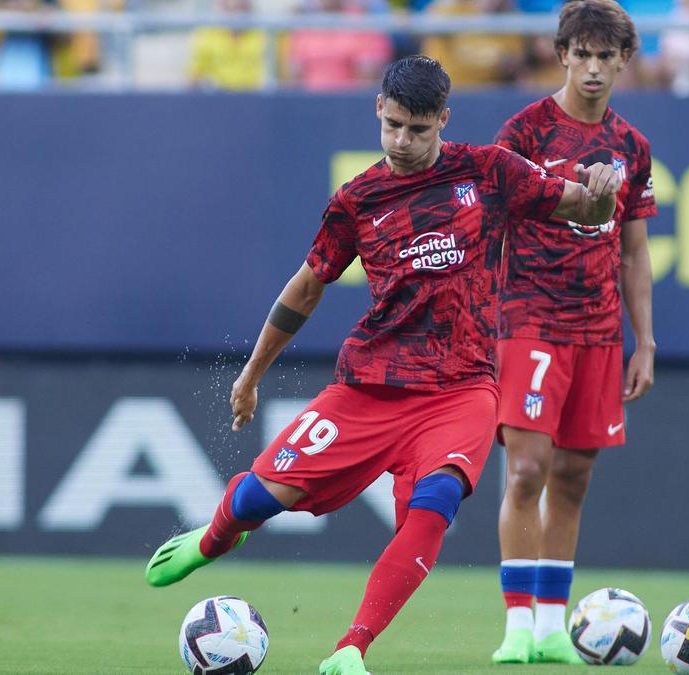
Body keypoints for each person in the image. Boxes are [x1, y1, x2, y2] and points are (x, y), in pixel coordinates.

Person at [143, 55, 621, 675]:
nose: (403, 141)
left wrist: (602, 193)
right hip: (371, 384)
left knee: (437, 501)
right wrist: (252, 373)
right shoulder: (358, 199)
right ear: (378, 109)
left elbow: (583, 210)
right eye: (393, 125)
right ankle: (215, 537)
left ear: (443, 120)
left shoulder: (490, 172)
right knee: (264, 497)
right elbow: (308, 287)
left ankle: (350, 648)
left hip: (462, 388)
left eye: (418, 130)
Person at [489, 0, 657, 665]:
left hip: (597, 332)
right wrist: (572, 189)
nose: (592, 68)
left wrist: (643, 341)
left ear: (623, 61)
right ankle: (516, 626)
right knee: (527, 467)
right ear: (561, 55)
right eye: (580, 54)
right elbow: (494, 217)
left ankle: (555, 626)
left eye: (604, 56)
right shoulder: (525, 130)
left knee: (574, 476)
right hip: (529, 318)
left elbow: (634, 251)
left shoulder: (633, 147)